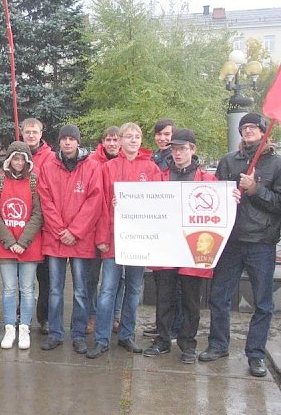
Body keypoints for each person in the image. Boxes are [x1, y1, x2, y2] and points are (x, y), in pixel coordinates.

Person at [199, 112, 281, 378]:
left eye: (253, 128)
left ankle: (255, 354)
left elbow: (278, 203)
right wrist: (229, 195)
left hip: (261, 242)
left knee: (263, 303)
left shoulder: (276, 164)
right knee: (219, 297)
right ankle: (218, 344)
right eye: (244, 127)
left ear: (262, 131)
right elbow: (215, 196)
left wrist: (255, 188)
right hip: (231, 241)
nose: (247, 131)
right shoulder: (228, 161)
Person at [87, 123, 161, 359]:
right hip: (113, 241)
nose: (132, 140)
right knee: (107, 290)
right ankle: (102, 338)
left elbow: (159, 205)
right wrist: (102, 239)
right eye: (128, 136)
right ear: (119, 141)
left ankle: (127, 335)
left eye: (136, 136)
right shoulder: (108, 167)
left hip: (139, 242)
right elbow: (100, 206)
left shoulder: (151, 169)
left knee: (133, 290)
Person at [143, 128, 216, 364]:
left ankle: (188, 344)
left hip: (193, 249)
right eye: (174, 149)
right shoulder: (160, 177)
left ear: (192, 150)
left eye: (182, 149)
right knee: (164, 297)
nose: (178, 153)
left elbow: (219, 205)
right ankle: (162, 339)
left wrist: (231, 197)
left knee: (191, 300)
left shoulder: (207, 180)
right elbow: (144, 204)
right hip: (166, 246)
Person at [37, 124, 104, 353]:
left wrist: (74, 231)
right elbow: (45, 200)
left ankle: (78, 334)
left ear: (78, 142)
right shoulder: (48, 166)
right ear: (59, 142)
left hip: (80, 240)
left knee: (80, 290)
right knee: (54, 290)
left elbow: (94, 202)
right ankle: (56, 333)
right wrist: (60, 230)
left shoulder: (92, 167)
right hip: (55, 240)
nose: (67, 143)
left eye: (71, 139)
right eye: (64, 139)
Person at [0, 141, 43, 349]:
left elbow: (38, 213)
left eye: (23, 158)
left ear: (28, 160)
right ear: (9, 160)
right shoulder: (0, 181)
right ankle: (9, 327)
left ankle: (24, 327)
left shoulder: (34, 182)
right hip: (6, 245)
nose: (19, 162)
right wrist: (10, 241)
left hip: (29, 245)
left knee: (28, 289)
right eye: (15, 158)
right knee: (9, 289)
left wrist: (23, 241)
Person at [144, 117, 180, 339]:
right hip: (157, 225)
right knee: (161, 281)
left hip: (173, 228)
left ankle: (174, 326)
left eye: (167, 134)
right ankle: (163, 325)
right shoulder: (154, 158)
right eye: (159, 134)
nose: (162, 138)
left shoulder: (175, 159)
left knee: (174, 283)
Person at [87, 126, 123, 334]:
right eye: (108, 140)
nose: (112, 143)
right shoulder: (93, 162)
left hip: (121, 230)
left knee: (119, 280)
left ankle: (114, 315)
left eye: (115, 140)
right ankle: (92, 315)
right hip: (95, 229)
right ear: (103, 141)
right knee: (92, 277)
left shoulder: (127, 162)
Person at [21, 118, 53, 334]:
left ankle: (45, 317)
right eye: (27, 132)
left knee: (45, 279)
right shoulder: (17, 155)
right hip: (20, 227)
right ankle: (20, 316)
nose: (31, 135)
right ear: (22, 133)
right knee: (21, 280)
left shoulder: (50, 158)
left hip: (45, 228)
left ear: (41, 133)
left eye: (35, 132)